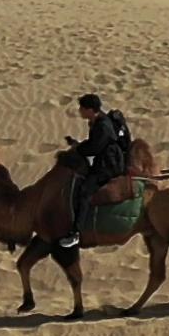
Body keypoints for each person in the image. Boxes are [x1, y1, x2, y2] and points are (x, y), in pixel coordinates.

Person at [59, 94, 133, 250]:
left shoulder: (103, 126)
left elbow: (94, 148)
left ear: (90, 110)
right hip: (104, 160)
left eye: (82, 109)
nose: (79, 111)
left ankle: (76, 234)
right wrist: (78, 145)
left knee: (85, 191)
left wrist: (78, 148)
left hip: (108, 165)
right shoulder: (97, 121)